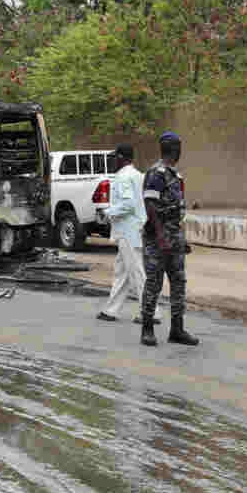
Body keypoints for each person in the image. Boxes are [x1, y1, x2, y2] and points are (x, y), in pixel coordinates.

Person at [139, 132, 199, 347]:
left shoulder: (177, 176)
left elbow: (178, 212)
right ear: (174, 149)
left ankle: (177, 329)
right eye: (179, 147)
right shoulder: (156, 174)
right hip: (157, 239)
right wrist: (162, 235)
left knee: (178, 283)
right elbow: (150, 206)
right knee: (154, 283)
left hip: (174, 239)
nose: (181, 151)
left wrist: (181, 239)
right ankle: (147, 329)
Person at [97, 143, 160, 324]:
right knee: (122, 273)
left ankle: (150, 312)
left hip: (127, 231)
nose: (112, 161)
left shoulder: (123, 177)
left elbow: (128, 204)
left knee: (137, 272)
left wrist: (107, 212)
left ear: (121, 158)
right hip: (134, 229)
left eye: (114, 158)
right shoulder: (138, 175)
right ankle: (111, 310)